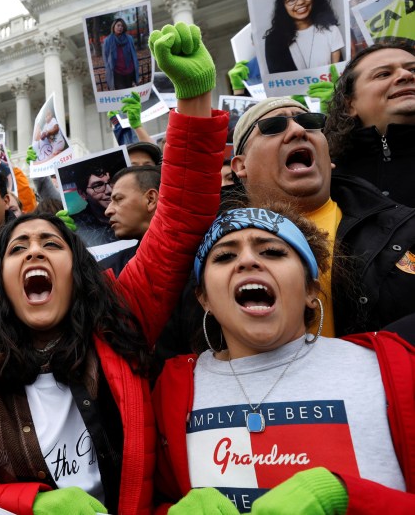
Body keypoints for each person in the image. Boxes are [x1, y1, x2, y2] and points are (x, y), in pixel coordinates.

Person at [0, 22, 228, 514]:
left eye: (51, 244)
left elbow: (181, 216)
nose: (35, 252)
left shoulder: (121, 317)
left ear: (76, 267)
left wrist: (193, 100)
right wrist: (30, 506)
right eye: (18, 249)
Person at [155, 206, 415, 514]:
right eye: (225, 256)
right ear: (205, 299)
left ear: (310, 289)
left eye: (272, 252)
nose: (248, 261)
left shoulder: (393, 367)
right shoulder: (172, 390)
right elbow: (156, 499)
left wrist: (350, 498)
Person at [231, 96, 415, 337]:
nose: (298, 131)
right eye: (273, 126)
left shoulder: (405, 229)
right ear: (240, 166)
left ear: (329, 160)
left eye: (310, 123)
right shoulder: (210, 248)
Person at [323, 42, 415, 207]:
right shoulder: (327, 176)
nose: (406, 75)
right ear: (350, 105)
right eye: (384, 74)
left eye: (413, 70)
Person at [264, 0, 344, 73]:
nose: (300, 2)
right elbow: (278, 80)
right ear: (283, 7)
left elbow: (338, 75)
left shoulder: (331, 30)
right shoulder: (274, 41)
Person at [69, 165, 119, 247]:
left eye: (110, 182)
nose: (110, 190)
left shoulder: (133, 214)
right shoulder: (76, 225)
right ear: (82, 194)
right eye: (98, 186)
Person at [103, 18, 140, 90]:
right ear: (113, 26)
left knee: (129, 91)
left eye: (122, 26)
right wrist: (109, 69)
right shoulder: (108, 40)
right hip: (117, 73)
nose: (120, 27)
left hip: (129, 71)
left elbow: (133, 54)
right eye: (118, 25)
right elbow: (106, 57)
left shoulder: (129, 38)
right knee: (122, 93)